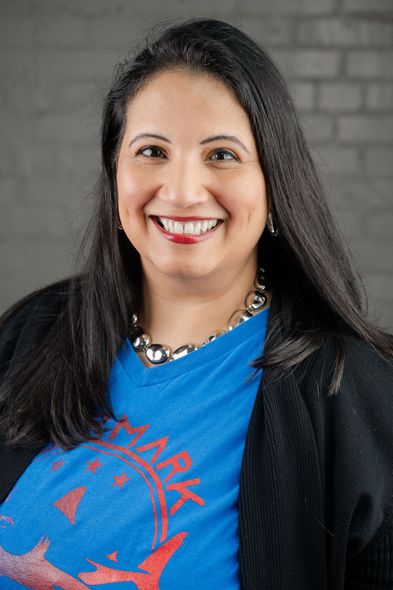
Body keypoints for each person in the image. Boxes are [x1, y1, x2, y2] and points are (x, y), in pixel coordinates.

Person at [0, 17, 392, 590]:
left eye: (223, 155)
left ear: (273, 182)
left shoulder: (353, 390)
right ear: (115, 175)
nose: (182, 191)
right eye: (152, 150)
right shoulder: (30, 333)